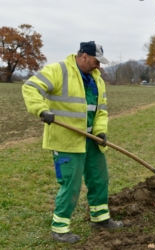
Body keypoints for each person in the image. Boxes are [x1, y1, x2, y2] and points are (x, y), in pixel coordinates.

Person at [22, 41, 123, 244]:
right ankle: (60, 228)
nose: (99, 66)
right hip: (66, 140)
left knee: (99, 179)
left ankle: (100, 218)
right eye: (96, 61)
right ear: (83, 56)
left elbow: (101, 110)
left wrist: (101, 131)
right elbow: (30, 87)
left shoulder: (97, 80)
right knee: (71, 185)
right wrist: (42, 110)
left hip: (91, 140)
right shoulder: (59, 70)